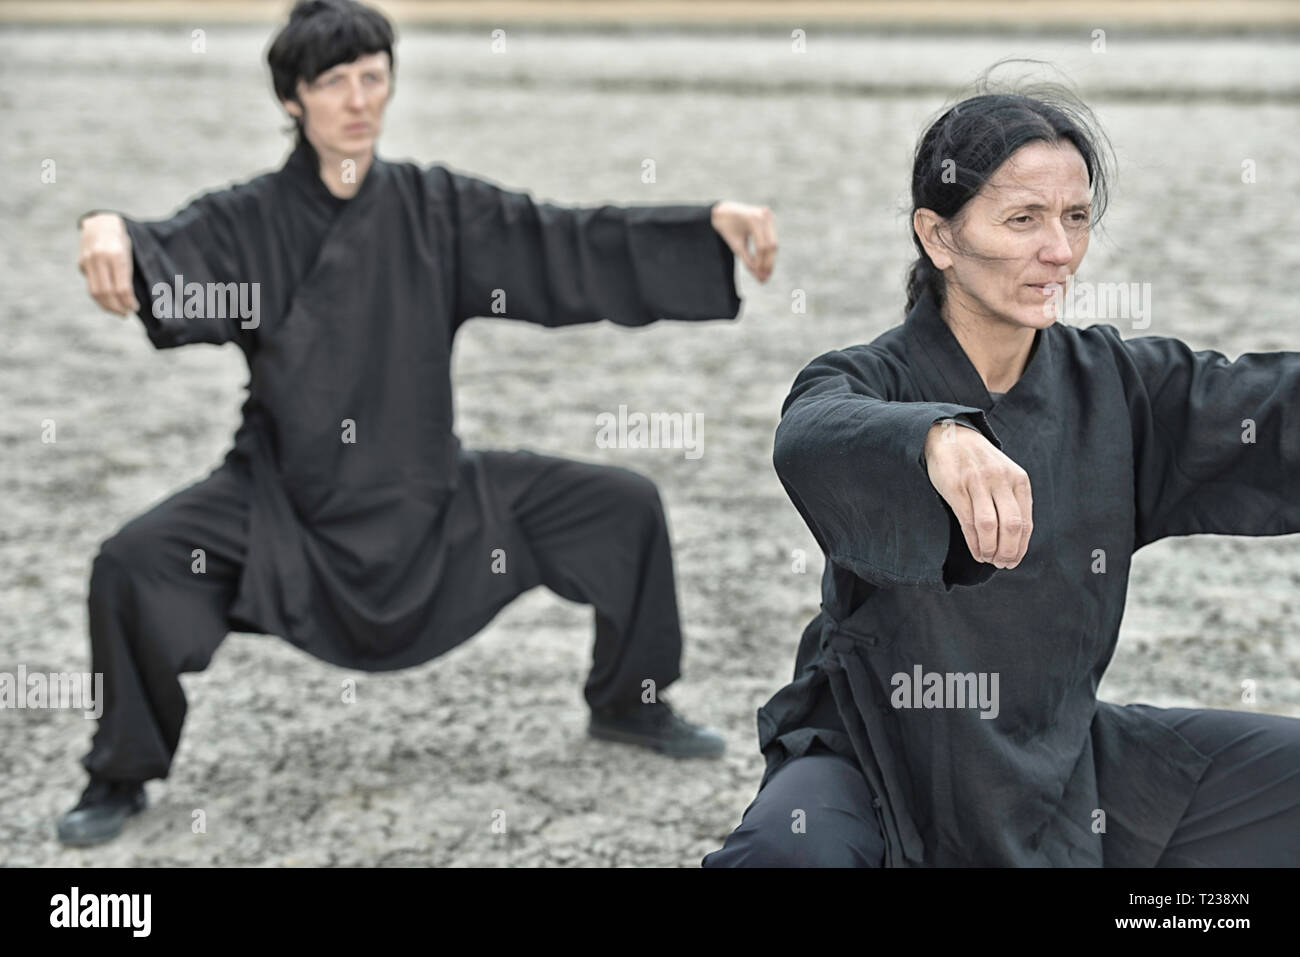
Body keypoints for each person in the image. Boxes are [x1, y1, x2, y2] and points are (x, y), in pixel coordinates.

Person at [59, 0, 778, 846]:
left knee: (623, 505)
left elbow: (565, 240)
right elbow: (164, 251)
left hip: (435, 501)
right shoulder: (248, 221)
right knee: (132, 564)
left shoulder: (436, 208)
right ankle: (120, 772)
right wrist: (105, 226)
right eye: (333, 83)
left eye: (374, 77)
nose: (359, 99)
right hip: (284, 508)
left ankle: (631, 700)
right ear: (293, 99)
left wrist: (702, 227)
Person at [704, 77, 1300, 867]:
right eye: (1023, 219)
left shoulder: (1114, 386)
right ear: (940, 237)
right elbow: (811, 432)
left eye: (1075, 218)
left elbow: (1268, 407)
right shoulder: (868, 377)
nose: (1059, 250)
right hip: (879, 758)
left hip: (1058, 763)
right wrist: (934, 439)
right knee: (786, 852)